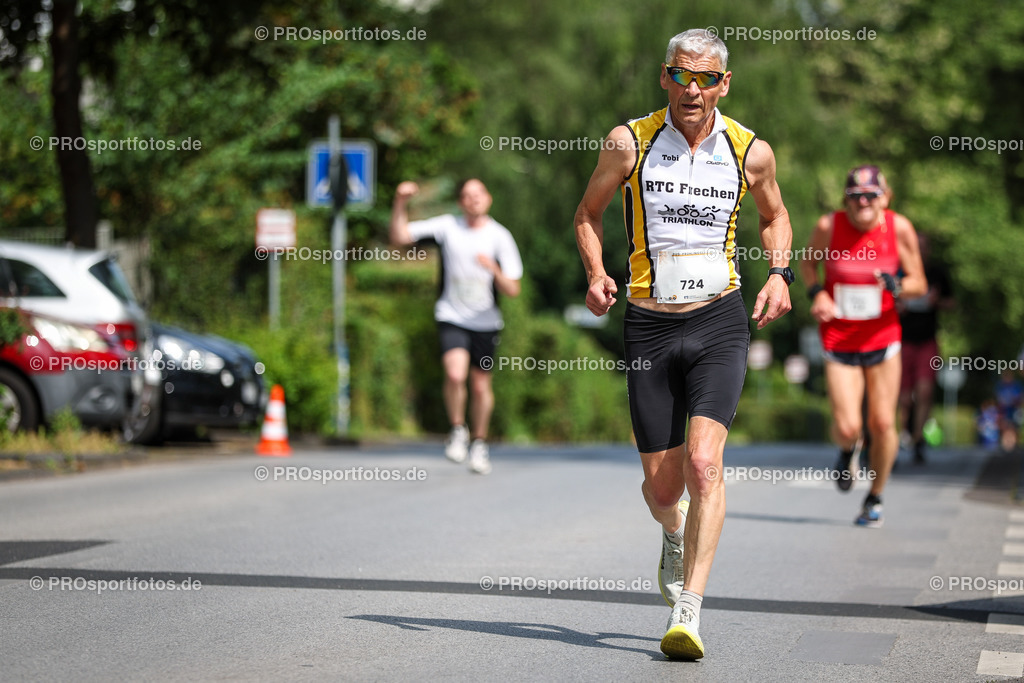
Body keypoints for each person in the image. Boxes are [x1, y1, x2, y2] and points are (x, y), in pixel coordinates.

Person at [574, 29, 793, 660]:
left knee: (705, 464)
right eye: (680, 75)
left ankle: (689, 611)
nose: (692, 90)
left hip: (719, 321)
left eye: (705, 79)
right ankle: (673, 532)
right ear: (665, 78)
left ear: (724, 83)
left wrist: (779, 274)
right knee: (662, 489)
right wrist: (596, 274)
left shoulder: (750, 151)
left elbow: (775, 215)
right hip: (648, 323)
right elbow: (587, 213)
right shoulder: (630, 142)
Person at [800, 165, 927, 527]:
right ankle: (846, 449)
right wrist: (818, 293)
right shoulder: (829, 226)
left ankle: (875, 497)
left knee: (884, 422)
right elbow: (808, 265)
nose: (864, 202)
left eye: (871, 195)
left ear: (884, 197)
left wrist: (898, 285)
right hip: (839, 338)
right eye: (856, 197)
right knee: (847, 425)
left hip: (883, 338)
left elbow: (919, 281)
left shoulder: (898, 227)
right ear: (846, 200)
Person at [390, 178, 523, 475]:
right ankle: (457, 430)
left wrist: (494, 270)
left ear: (488, 198)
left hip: (486, 322)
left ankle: (479, 443)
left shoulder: (500, 236)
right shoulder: (447, 227)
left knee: (479, 384)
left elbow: (513, 288)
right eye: (466, 195)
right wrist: (400, 202)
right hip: (451, 315)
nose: (472, 199)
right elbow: (400, 237)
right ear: (460, 202)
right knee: (454, 373)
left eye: (478, 194)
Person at [896, 232, 953, 464]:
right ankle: (903, 436)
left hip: (927, 341)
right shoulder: (899, 272)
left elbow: (952, 303)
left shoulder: (937, 274)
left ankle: (919, 439)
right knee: (903, 397)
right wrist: (897, 305)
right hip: (901, 340)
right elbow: (883, 299)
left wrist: (936, 302)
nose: (920, 252)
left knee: (925, 392)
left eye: (924, 247)